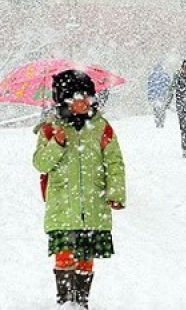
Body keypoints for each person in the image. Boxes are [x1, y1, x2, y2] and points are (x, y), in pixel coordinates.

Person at [33, 70, 126, 309]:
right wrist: (57, 142)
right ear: (64, 99)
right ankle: (65, 300)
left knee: (86, 255)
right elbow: (40, 163)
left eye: (88, 96)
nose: (84, 101)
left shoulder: (101, 127)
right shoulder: (50, 129)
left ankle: (81, 300)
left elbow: (114, 161)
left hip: (94, 204)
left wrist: (115, 192)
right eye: (77, 96)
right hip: (63, 206)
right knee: (65, 253)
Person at [147, 63, 171, 128]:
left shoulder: (152, 76)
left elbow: (149, 87)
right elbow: (168, 86)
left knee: (156, 110)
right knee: (162, 110)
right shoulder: (165, 75)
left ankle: (157, 121)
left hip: (154, 96)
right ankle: (162, 121)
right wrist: (168, 95)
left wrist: (150, 96)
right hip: (163, 96)